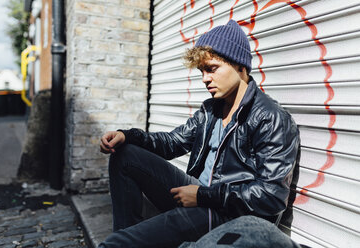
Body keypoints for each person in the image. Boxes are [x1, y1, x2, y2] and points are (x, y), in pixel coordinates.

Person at [98, 20, 300, 248]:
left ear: (240, 66)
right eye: (202, 71)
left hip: (229, 213)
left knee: (117, 243)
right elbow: (172, 143)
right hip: (198, 196)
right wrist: (128, 136)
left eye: (211, 69)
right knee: (125, 155)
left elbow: (271, 196)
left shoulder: (271, 117)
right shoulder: (211, 109)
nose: (205, 78)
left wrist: (203, 196)